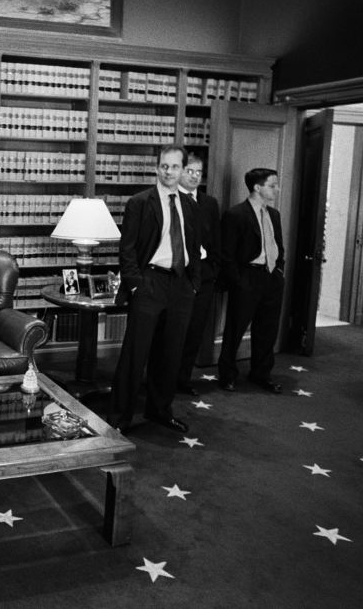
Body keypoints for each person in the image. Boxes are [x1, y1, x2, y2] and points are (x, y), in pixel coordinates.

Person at [109, 144, 200, 434]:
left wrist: (193, 283)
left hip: (180, 286)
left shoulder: (190, 204)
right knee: (135, 355)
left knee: (170, 353)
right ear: (156, 168)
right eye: (164, 166)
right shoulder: (140, 202)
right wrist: (136, 286)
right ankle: (120, 418)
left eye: (174, 167)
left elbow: (194, 247)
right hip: (149, 283)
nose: (169, 172)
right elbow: (128, 249)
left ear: (183, 170)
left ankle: (160, 410)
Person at [216, 168, 285, 394]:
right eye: (272, 185)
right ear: (257, 187)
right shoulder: (235, 215)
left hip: (271, 278)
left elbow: (278, 247)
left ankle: (261, 374)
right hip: (247, 278)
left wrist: (279, 271)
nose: (277, 189)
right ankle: (227, 375)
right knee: (235, 329)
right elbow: (226, 255)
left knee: (267, 330)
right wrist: (239, 281)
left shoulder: (274, 214)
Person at [176, 154, 221, 396]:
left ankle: (183, 379)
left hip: (203, 277)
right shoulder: (170, 200)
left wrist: (212, 271)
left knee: (194, 331)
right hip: (179, 277)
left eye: (198, 172)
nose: (194, 176)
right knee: (174, 332)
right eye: (190, 171)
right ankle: (163, 380)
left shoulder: (209, 203)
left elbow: (216, 239)